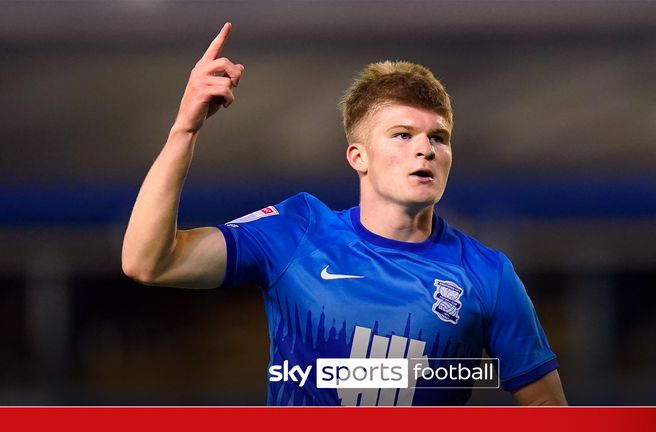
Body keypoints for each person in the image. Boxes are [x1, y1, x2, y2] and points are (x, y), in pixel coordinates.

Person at [122, 23, 566, 406]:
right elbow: (149, 262)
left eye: (439, 137)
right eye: (402, 134)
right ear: (358, 156)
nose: (425, 148)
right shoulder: (297, 231)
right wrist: (185, 129)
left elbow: (545, 404)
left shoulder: (488, 274)